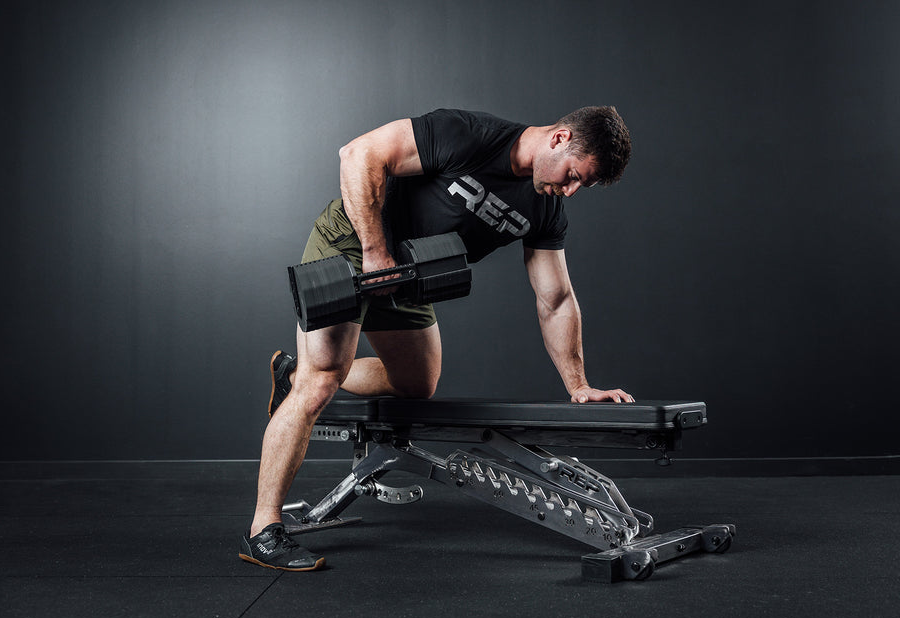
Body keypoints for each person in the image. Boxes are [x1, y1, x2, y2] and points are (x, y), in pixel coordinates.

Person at [238, 107, 635, 571]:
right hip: (353, 242)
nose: (569, 190)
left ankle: (290, 369)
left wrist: (578, 384)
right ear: (559, 138)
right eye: (572, 175)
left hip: (410, 271)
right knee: (322, 378)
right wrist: (374, 252)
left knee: (417, 383)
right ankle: (263, 530)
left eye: (579, 186)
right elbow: (358, 154)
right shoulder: (468, 135)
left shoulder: (545, 210)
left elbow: (557, 300)